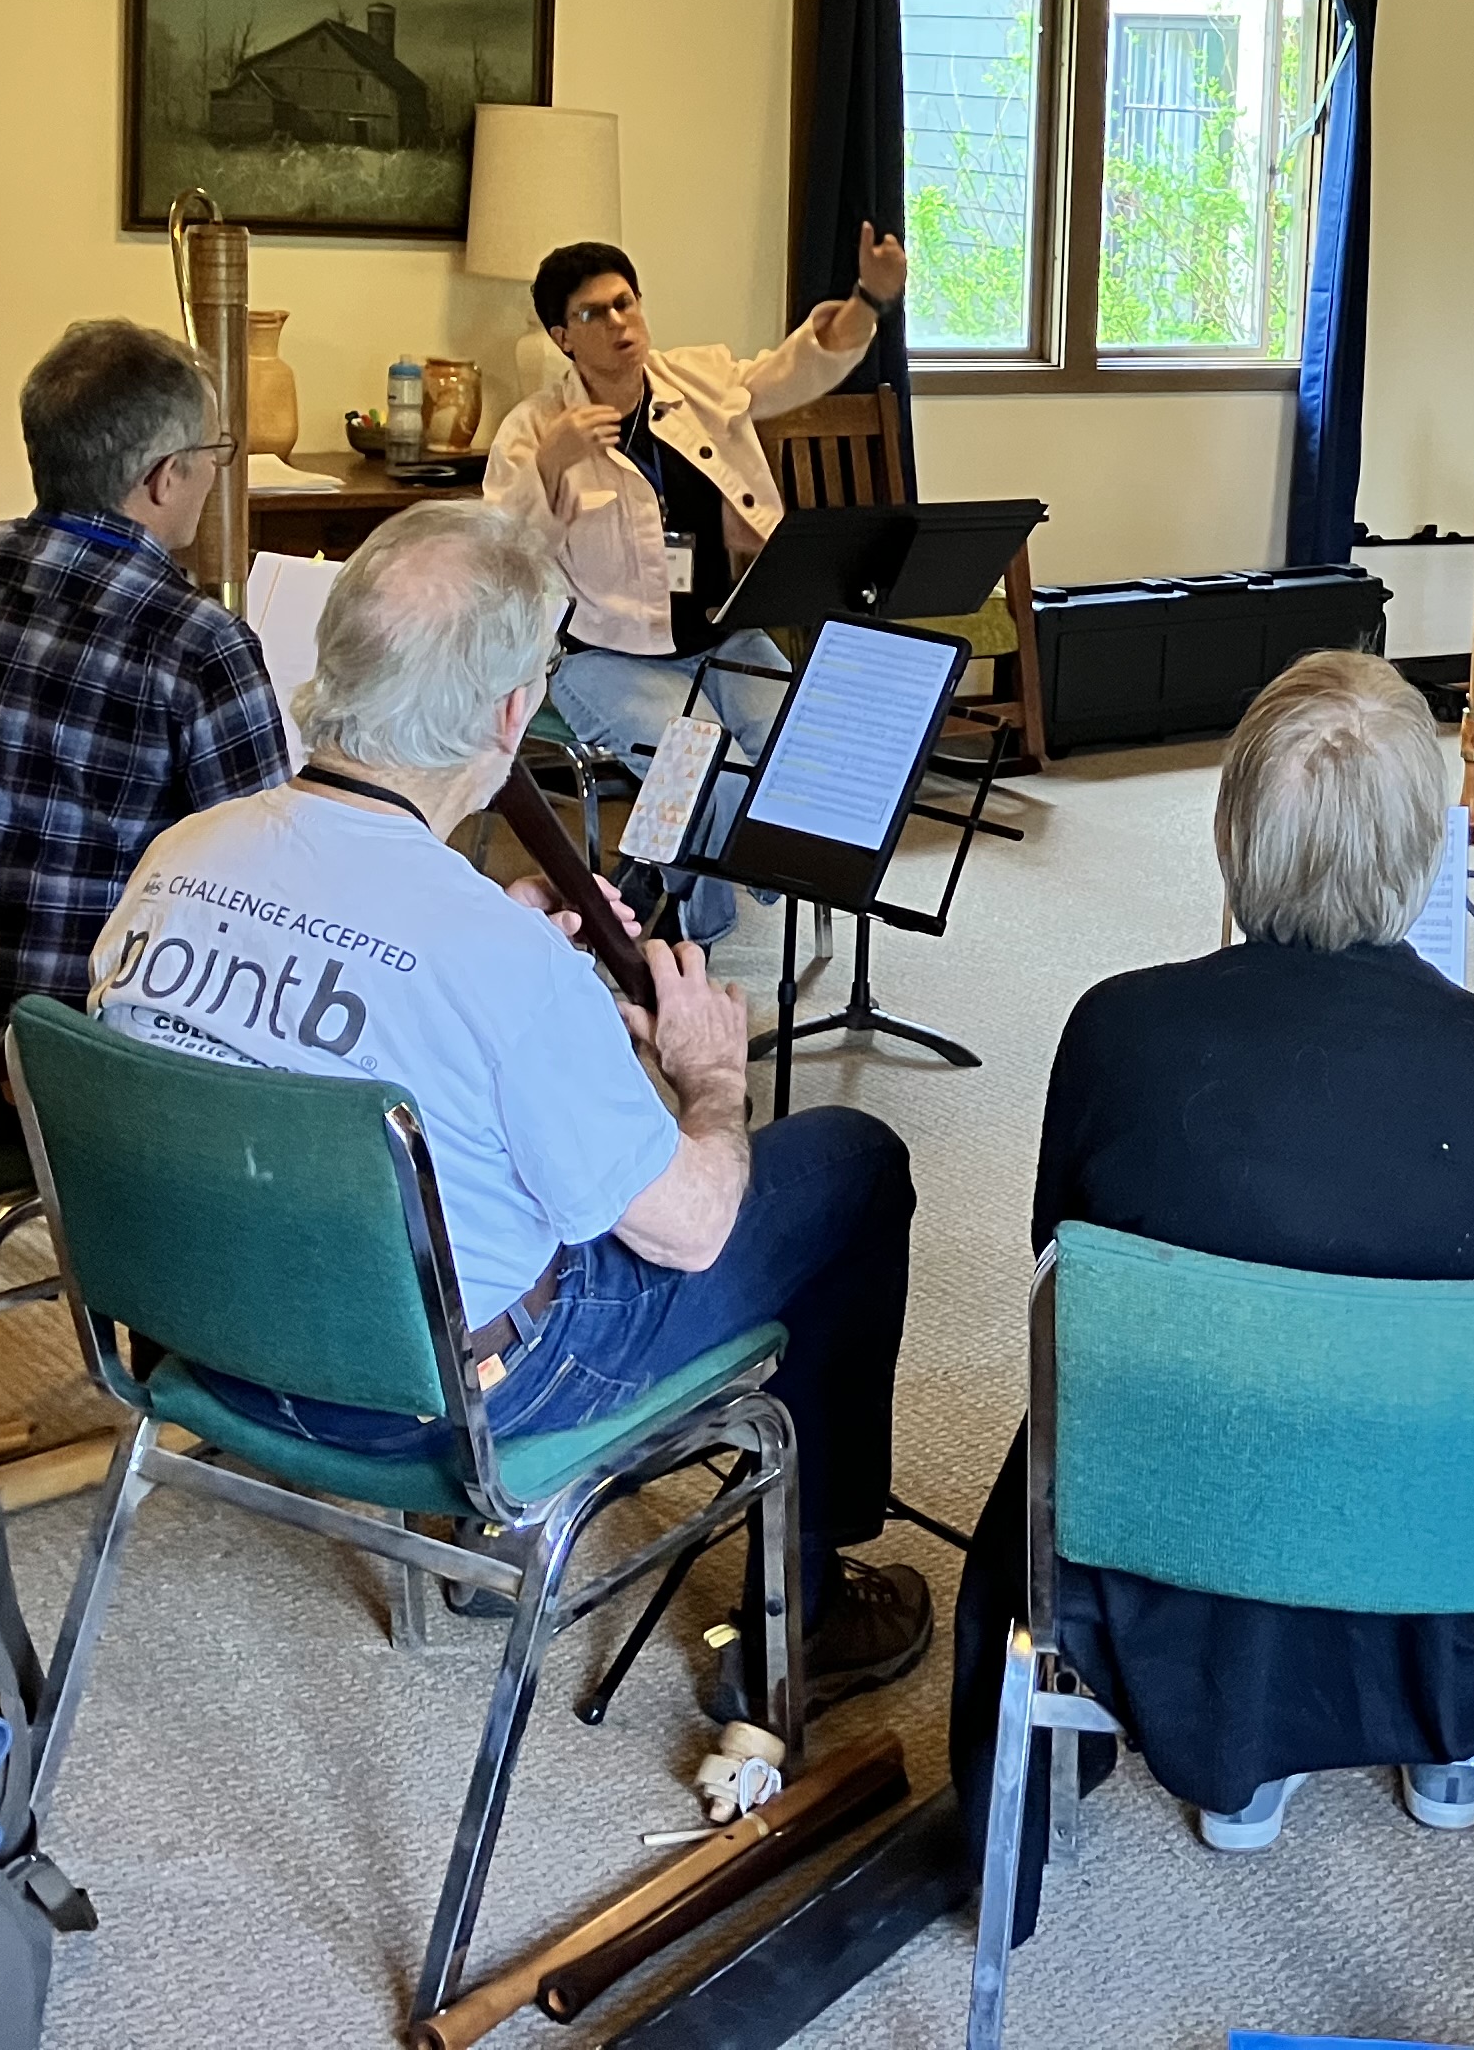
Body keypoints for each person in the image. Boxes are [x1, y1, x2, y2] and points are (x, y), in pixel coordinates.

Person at [89, 502, 931, 1709]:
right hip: (442, 1408)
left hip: (208, 1344)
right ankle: (805, 1617)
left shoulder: (182, 854)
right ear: (506, 714)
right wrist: (710, 1076)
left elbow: (328, 1019)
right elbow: (691, 1228)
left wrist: (515, 969)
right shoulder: (501, 963)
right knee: (851, 1161)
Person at [950, 652, 1474, 1917]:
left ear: (1232, 833)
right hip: (1460, 1582)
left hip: (1172, 1559)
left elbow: (1062, 1279)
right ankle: (1448, 1738)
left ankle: (1242, 1744)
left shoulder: (1118, 1029)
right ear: (1428, 851)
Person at [0, 321, 292, 1148]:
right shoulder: (195, 642)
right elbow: (265, 893)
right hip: (47, 1090)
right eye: (213, 454)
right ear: (164, 477)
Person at [485, 225, 910, 941]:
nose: (618, 322)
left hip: (724, 633)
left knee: (801, 755)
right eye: (593, 313)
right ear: (562, 337)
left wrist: (869, 298)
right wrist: (552, 467)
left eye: (625, 303)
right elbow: (503, 558)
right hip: (605, 655)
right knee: (709, 769)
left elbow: (799, 367)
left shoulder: (699, 383)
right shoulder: (534, 429)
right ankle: (694, 930)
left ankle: (653, 881)